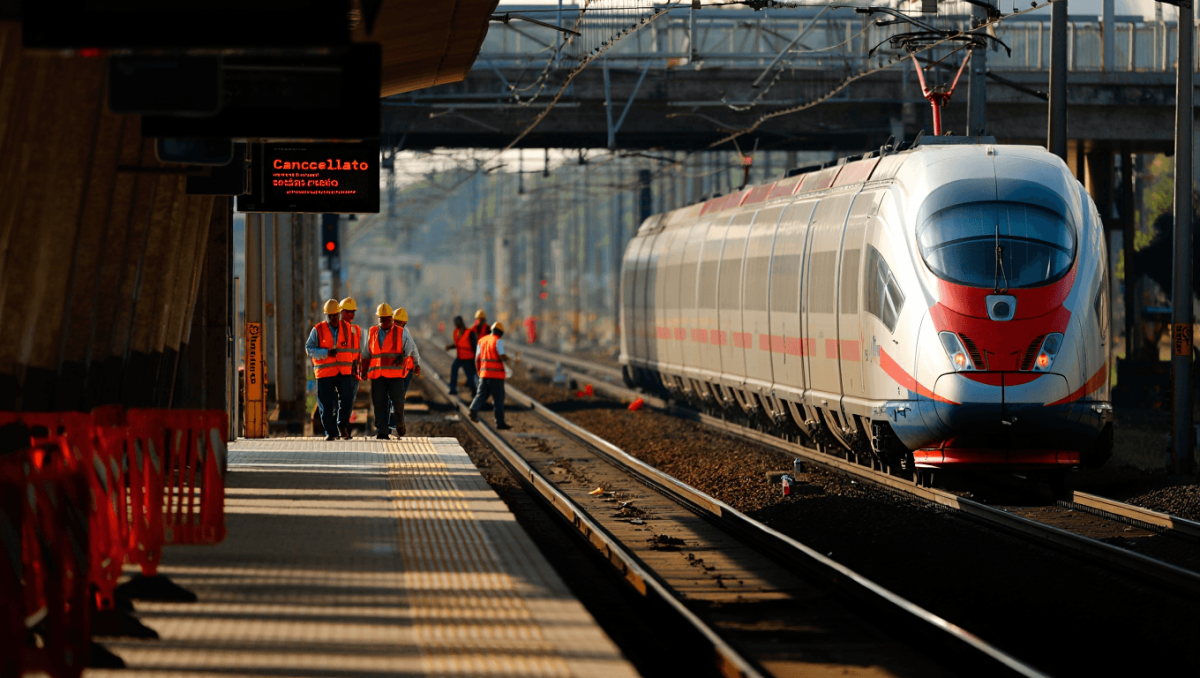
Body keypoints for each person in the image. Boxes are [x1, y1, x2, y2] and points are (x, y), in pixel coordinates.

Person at [366, 304, 422, 439]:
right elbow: (368, 351)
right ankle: (384, 430)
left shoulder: (402, 332)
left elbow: (412, 348)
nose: (397, 324)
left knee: (397, 400)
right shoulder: (373, 331)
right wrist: (362, 369)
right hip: (379, 374)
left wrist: (414, 363)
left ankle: (397, 421)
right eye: (381, 318)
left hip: (400, 372)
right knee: (380, 401)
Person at [306, 299, 357, 441]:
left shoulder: (348, 328)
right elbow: (309, 349)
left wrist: (356, 364)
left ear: (339, 314)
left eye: (335, 315)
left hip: (343, 372)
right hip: (325, 373)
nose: (334, 318)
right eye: (330, 316)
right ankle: (331, 432)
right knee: (326, 404)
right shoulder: (318, 329)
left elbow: (354, 348)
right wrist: (326, 353)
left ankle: (341, 424)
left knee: (347, 399)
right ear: (326, 315)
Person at [468, 321, 511, 430]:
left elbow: (477, 358)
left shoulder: (481, 341)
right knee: (498, 399)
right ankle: (500, 423)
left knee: (481, 394)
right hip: (496, 376)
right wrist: (510, 359)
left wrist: (480, 372)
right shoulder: (498, 341)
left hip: (484, 374)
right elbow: (502, 356)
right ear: (500, 333)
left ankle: (473, 409)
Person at [338, 296, 365, 439]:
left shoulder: (356, 330)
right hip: (340, 372)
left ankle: (344, 427)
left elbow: (358, 351)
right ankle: (341, 428)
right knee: (342, 401)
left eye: (353, 312)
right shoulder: (335, 329)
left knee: (349, 401)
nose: (352, 315)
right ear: (341, 312)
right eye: (349, 312)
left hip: (353, 372)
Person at [444, 315, 477, 396]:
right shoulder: (457, 332)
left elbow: (475, 346)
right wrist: (451, 347)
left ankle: (475, 392)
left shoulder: (469, 333)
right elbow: (459, 344)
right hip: (460, 357)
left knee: (471, 376)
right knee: (454, 369)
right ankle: (453, 388)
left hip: (469, 358)